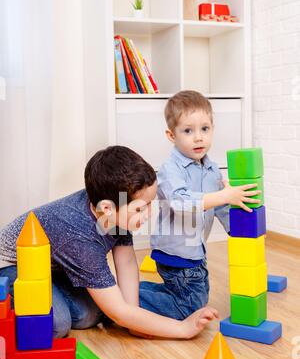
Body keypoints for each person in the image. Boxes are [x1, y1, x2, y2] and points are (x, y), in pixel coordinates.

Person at [0, 145, 218, 339]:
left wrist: (133, 317)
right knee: (58, 324)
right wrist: (182, 329)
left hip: (53, 270)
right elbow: (119, 314)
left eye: (150, 204)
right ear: (107, 208)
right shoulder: (79, 235)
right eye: (141, 209)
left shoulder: (116, 208)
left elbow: (126, 263)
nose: (149, 214)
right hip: (14, 269)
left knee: (92, 313)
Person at [139, 90, 261, 320]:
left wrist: (241, 231)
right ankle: (127, 302)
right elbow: (181, 202)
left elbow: (222, 206)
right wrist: (225, 196)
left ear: (212, 129)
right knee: (191, 307)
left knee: (192, 295)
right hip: (176, 252)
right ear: (171, 135)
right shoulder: (170, 169)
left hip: (196, 251)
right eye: (188, 130)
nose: (198, 137)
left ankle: (132, 292)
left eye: (205, 129)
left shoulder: (212, 168)